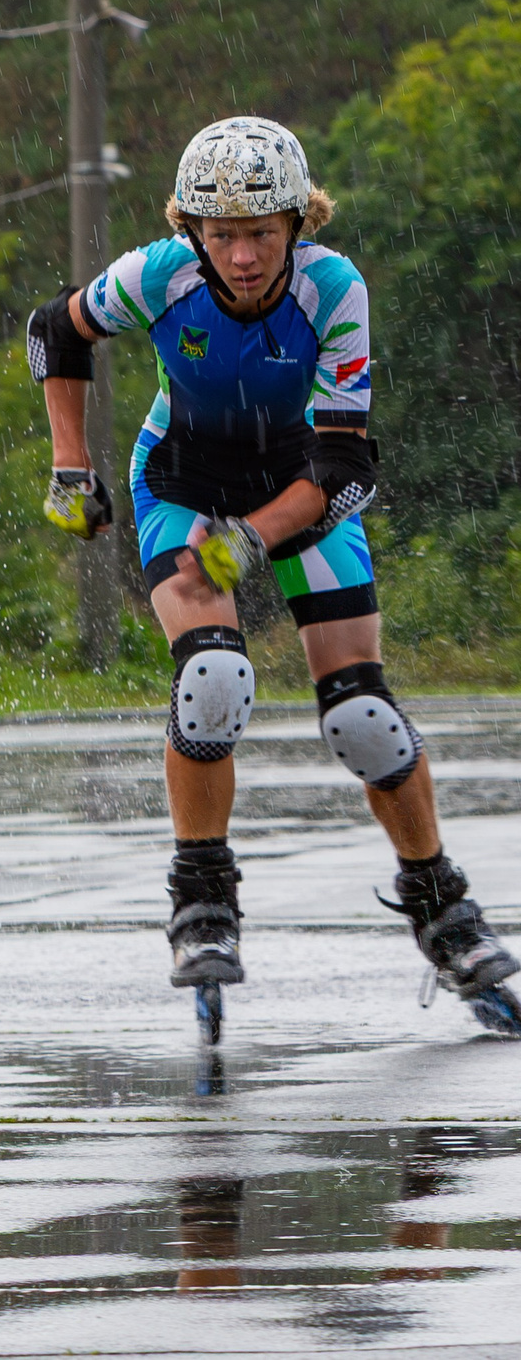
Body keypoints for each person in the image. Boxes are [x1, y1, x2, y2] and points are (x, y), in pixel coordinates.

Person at [28, 115, 518, 1026]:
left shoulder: (335, 289)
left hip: (301, 485)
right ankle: (202, 900)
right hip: (182, 477)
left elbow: (341, 467)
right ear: (193, 234)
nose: (243, 257)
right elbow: (56, 328)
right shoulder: (158, 276)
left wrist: (252, 538)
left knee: (365, 717)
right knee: (212, 679)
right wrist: (70, 465)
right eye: (222, 235)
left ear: (299, 223)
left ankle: (441, 906)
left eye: (261, 233)